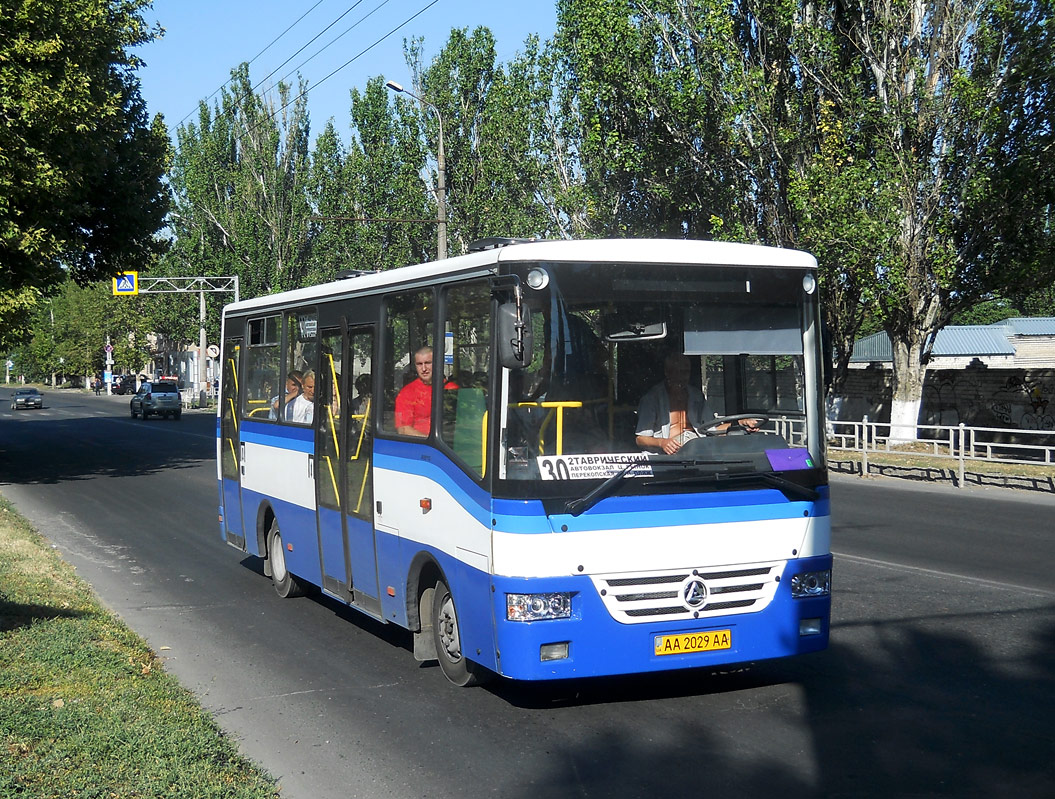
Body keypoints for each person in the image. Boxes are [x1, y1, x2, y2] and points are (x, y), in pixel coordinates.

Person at [635, 352, 760, 454]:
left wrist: (740, 424)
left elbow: (712, 429)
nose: (682, 377)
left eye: (685, 372)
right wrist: (662, 443)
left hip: (698, 452)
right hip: (667, 458)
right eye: (677, 372)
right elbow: (640, 439)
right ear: (667, 372)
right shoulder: (651, 399)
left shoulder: (696, 396)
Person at [394, 347, 454, 437]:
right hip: (421, 446)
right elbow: (403, 429)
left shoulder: (451, 388)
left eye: (428, 363)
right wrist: (432, 442)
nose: (424, 368)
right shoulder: (407, 392)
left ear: (437, 363)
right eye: (419, 364)